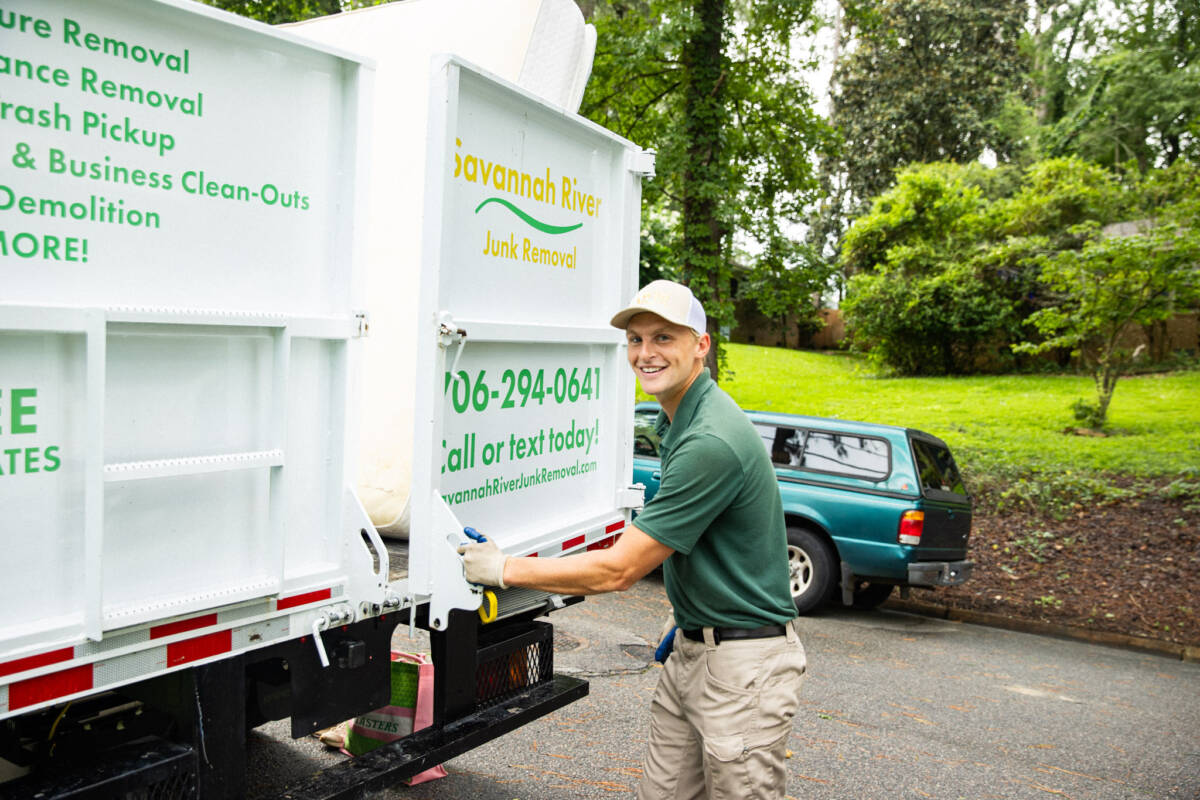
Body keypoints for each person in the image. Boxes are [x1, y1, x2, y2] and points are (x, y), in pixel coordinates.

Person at [458, 279, 806, 799]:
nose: (646, 353)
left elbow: (619, 570)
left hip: (743, 667)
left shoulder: (709, 440)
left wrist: (503, 569)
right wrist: (693, 608)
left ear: (701, 345)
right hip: (696, 649)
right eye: (636, 339)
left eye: (664, 338)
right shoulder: (682, 420)